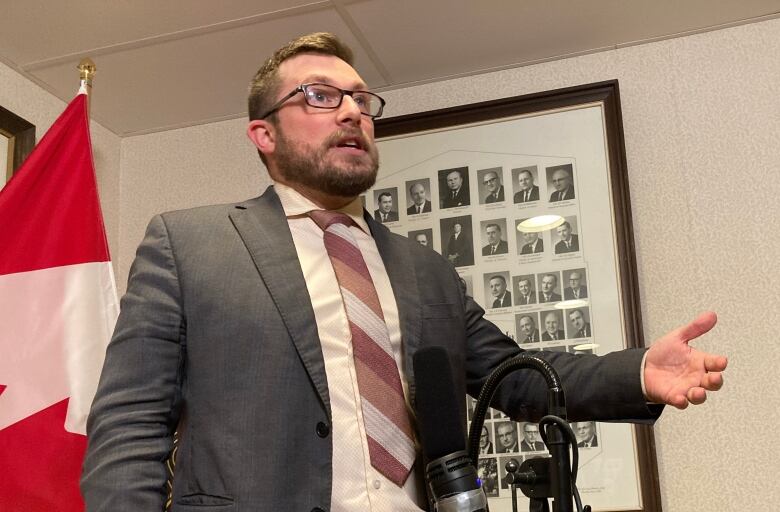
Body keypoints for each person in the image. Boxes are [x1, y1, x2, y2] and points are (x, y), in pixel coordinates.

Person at [81, 32, 727, 512]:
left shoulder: (426, 272)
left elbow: (518, 378)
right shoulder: (188, 244)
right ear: (264, 133)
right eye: (321, 96)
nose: (352, 111)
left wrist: (639, 371)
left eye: (362, 99)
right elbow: (130, 423)